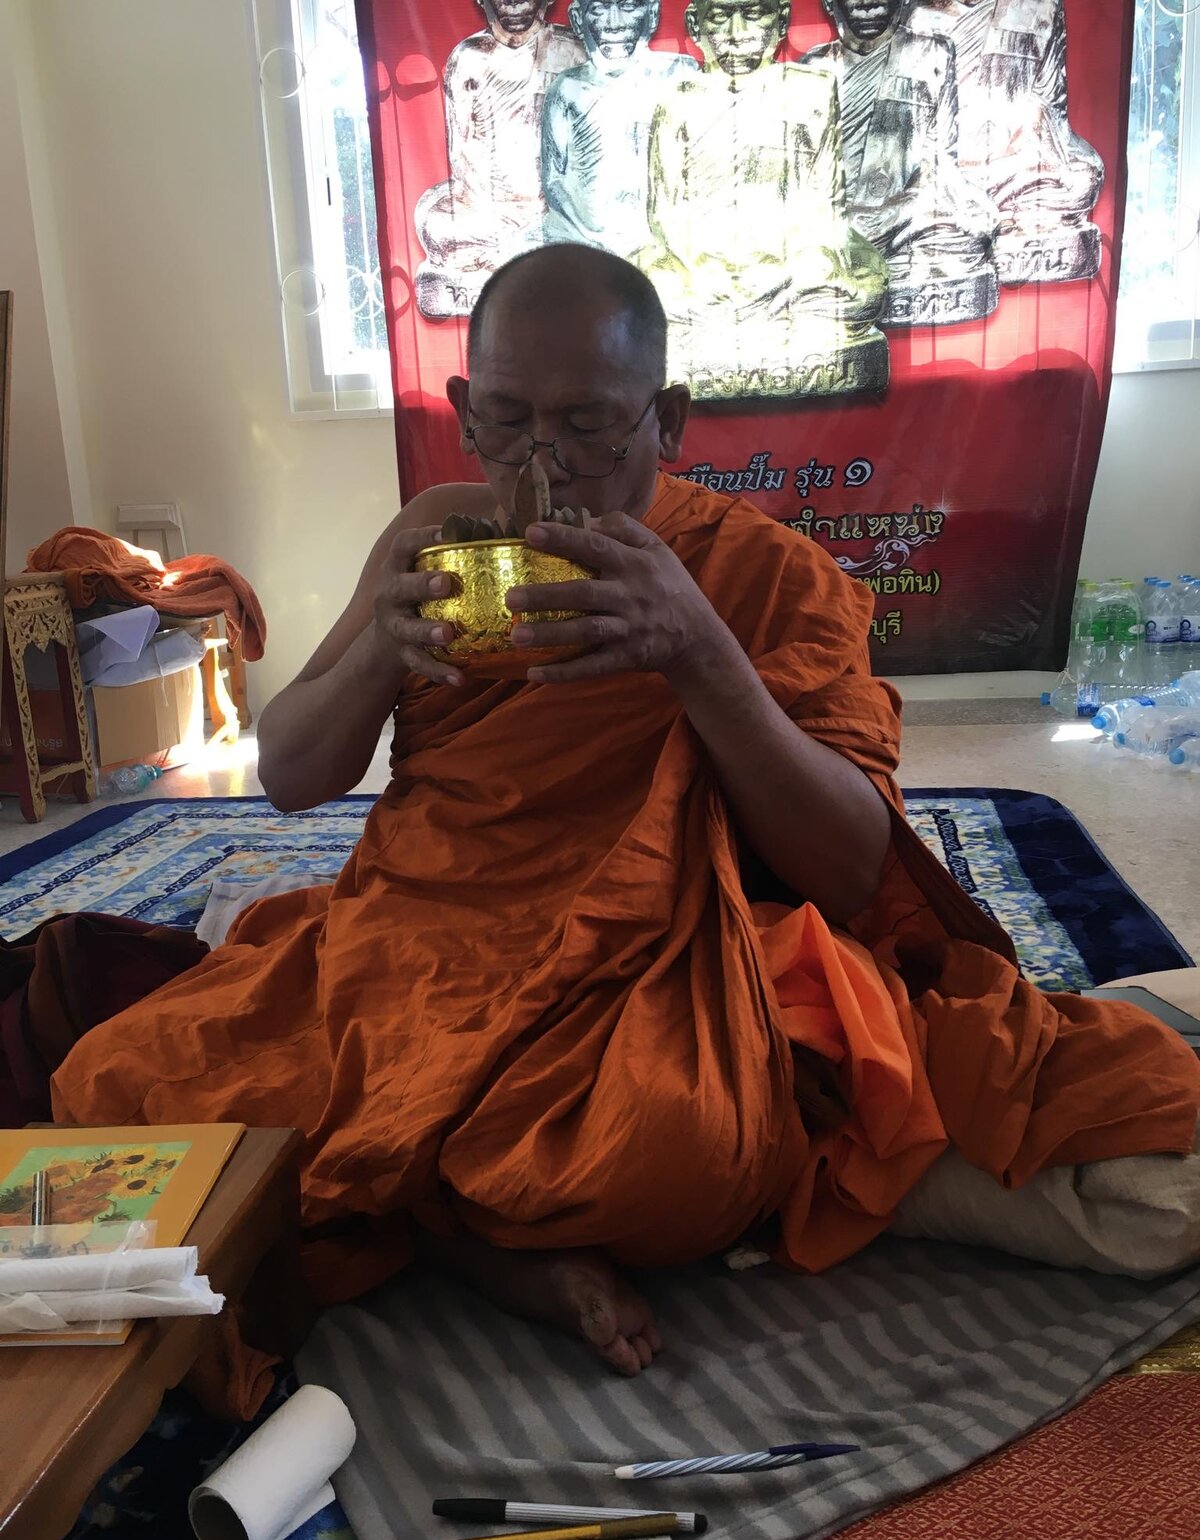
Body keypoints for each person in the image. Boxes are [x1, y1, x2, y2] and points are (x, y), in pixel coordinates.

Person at [53, 246, 1199, 1387]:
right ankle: (471, 1235)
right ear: (463, 406)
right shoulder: (437, 532)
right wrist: (377, 657)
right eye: (506, 422)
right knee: (120, 1084)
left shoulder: (769, 577)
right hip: (413, 935)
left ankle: (436, 1218)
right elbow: (294, 775)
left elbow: (855, 868)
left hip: (642, 952)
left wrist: (699, 653)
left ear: (669, 419)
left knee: (680, 1147)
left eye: (588, 426)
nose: (540, 467)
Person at [637, 0, 890, 400]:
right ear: (694, 25)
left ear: (782, 21)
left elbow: (825, 201)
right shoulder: (677, 100)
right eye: (719, 17)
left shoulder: (811, 89)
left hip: (792, 260)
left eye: (754, 15)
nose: (736, 34)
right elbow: (665, 210)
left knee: (860, 289)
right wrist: (703, 269)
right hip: (702, 265)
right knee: (652, 289)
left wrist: (788, 266)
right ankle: (756, 322)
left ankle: (752, 322)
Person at [805, 0, 999, 326]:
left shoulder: (933, 53)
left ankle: (869, 264)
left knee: (973, 221)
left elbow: (941, 158)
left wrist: (898, 210)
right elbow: (807, 176)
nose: (868, 5)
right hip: (843, 218)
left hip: (908, 212)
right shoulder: (814, 67)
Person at [908, 0, 1103, 283]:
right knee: (925, 198)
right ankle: (988, 221)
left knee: (1086, 177)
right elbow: (913, 125)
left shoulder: (1042, 7)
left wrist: (1031, 130)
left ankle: (986, 223)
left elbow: (1052, 107)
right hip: (952, 172)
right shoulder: (918, 16)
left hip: (1015, 164)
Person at [415, 0, 584, 319]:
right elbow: (461, 151)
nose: (514, 2)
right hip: (490, 208)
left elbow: (584, 151)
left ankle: (514, 256)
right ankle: (520, 255)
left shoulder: (571, 50)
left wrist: (546, 210)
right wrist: (497, 212)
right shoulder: (468, 58)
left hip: (553, 208)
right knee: (432, 217)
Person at [541, 0, 697, 256]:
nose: (614, 24)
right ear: (578, 19)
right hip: (585, 240)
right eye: (598, 9)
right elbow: (554, 180)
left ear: (653, 13)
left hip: (662, 240)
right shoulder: (567, 88)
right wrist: (592, 237)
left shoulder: (680, 74)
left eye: (629, 6)